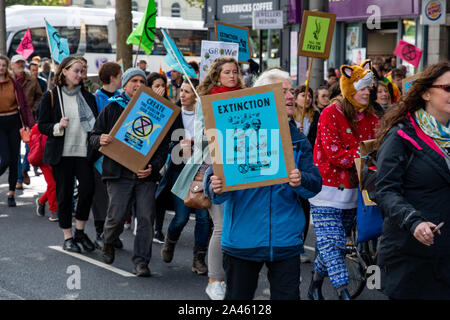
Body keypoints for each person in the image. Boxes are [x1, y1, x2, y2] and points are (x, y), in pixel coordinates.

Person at [204, 68, 322, 300]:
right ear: (262, 96)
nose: (291, 96)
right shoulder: (233, 130)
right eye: (284, 91)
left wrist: (300, 180)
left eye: (292, 90)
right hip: (242, 241)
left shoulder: (297, 138)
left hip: (285, 241)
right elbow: (214, 185)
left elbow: (314, 183)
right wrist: (214, 186)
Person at [170, 57, 245, 300]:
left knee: (239, 225)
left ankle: (234, 274)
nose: (232, 76)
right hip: (214, 167)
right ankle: (215, 279)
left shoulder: (246, 97)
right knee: (221, 227)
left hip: (242, 169)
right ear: (217, 75)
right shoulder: (206, 100)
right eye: (227, 72)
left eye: (235, 72)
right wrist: (207, 131)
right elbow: (201, 139)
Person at [374, 61, 450, 300]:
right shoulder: (401, 135)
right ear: (426, 93)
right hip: (411, 254)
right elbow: (385, 190)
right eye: (448, 88)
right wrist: (414, 221)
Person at [307, 59, 379, 300]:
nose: (367, 92)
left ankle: (315, 285)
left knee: (332, 245)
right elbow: (335, 153)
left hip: (353, 191)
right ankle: (343, 291)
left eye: (369, 88)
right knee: (334, 243)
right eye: (362, 87)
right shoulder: (330, 113)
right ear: (349, 88)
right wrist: (364, 157)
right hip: (326, 189)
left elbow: (376, 149)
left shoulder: (371, 117)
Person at [90, 68, 169, 277]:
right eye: (133, 80)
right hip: (118, 174)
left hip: (145, 175)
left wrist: (153, 167)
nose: (138, 84)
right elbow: (93, 136)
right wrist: (100, 139)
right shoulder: (112, 108)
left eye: (142, 81)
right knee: (116, 217)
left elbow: (162, 147)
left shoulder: (157, 111)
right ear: (124, 84)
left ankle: (141, 262)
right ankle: (108, 241)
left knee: (145, 218)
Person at [38, 56, 98, 254]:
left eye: (82, 71)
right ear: (64, 71)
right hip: (61, 154)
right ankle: (68, 236)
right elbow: (42, 126)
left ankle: (80, 231)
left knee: (88, 189)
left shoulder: (88, 97)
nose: (80, 75)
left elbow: (95, 126)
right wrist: (57, 126)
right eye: (76, 71)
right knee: (64, 195)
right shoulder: (52, 96)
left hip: (83, 153)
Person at [158, 78, 210, 275]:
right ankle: (170, 240)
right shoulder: (175, 115)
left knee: (204, 217)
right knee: (181, 217)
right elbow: (166, 143)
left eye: (188, 91)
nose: (183, 94)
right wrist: (180, 146)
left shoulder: (205, 114)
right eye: (182, 90)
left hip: (202, 170)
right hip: (182, 170)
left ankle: (198, 259)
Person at [91, 61, 123, 250]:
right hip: (100, 155)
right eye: (120, 75)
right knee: (101, 196)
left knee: (116, 198)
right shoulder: (96, 98)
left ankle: (113, 232)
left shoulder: (122, 97)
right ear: (112, 77)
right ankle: (100, 232)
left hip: (118, 153)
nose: (121, 78)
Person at [0, 55, 34, 207]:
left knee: (14, 159)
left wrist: (29, 123)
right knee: (5, 158)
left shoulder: (13, 83)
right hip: (0, 123)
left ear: (6, 66)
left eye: (3, 65)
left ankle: (11, 193)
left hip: (14, 122)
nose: (1, 68)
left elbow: (24, 104)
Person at [11, 54, 42, 190]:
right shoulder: (8, 80)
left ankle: (25, 168)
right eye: (17, 63)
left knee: (30, 146)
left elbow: (39, 96)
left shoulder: (32, 80)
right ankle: (19, 179)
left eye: (22, 62)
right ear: (12, 65)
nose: (20, 65)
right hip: (13, 119)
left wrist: (33, 109)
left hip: (29, 118)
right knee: (16, 151)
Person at [147, 72, 170, 243]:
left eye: (163, 86)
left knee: (160, 193)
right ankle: (142, 222)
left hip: (163, 157)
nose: (161, 89)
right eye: (157, 86)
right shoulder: (143, 104)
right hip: (145, 155)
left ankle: (158, 229)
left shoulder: (170, 106)